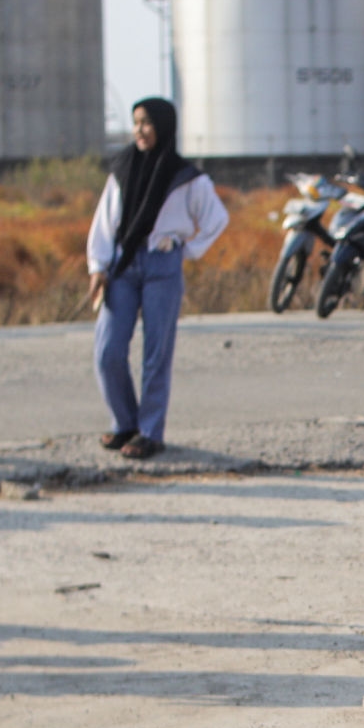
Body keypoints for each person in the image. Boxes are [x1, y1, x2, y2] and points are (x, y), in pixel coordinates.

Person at [83, 97, 226, 458]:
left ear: (163, 126)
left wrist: (184, 249)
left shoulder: (185, 176)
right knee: (108, 351)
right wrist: (97, 266)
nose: (139, 131)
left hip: (162, 266)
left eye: (146, 123)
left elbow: (215, 219)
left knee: (156, 354)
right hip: (123, 266)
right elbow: (105, 221)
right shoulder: (122, 168)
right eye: (135, 123)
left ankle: (149, 432)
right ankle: (125, 423)